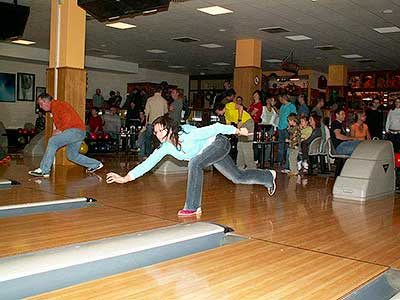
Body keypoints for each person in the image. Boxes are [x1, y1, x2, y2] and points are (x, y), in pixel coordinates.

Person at [106, 115, 277, 216]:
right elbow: (148, 163)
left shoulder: (188, 134)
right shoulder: (165, 147)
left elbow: (214, 128)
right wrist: (126, 178)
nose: (157, 135)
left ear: (170, 128)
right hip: (208, 153)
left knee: (195, 163)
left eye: (160, 130)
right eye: (156, 132)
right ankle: (268, 176)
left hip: (219, 143)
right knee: (238, 177)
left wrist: (237, 131)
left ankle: (193, 207)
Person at [28, 93, 103, 177]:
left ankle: (44, 170)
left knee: (53, 141)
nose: (40, 107)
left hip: (75, 131)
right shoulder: (55, 107)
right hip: (79, 132)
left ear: (46, 101)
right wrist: (60, 130)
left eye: (41, 104)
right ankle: (95, 164)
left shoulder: (57, 104)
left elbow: (67, 117)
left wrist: (61, 130)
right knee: (72, 156)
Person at [214, 99, 256, 169]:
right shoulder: (226, 115)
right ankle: (240, 167)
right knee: (240, 146)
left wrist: (239, 120)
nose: (218, 114)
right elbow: (229, 126)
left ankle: (251, 168)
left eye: (217, 112)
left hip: (247, 122)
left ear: (219, 108)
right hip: (241, 126)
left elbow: (241, 107)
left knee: (246, 146)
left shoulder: (228, 106)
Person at [141, 85, 169, 160]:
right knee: (159, 140)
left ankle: (149, 155)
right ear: (161, 91)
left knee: (148, 139)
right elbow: (166, 112)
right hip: (160, 124)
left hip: (151, 122)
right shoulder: (164, 101)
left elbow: (146, 113)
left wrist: (146, 123)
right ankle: (158, 156)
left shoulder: (149, 100)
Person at [277, 94, 297, 169]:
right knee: (280, 145)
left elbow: (294, 116)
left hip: (287, 128)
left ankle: (287, 162)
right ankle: (280, 161)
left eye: (281, 98)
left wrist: (291, 126)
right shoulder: (282, 106)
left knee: (287, 145)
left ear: (283, 98)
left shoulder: (291, 106)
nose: (280, 100)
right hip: (280, 127)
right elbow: (279, 114)